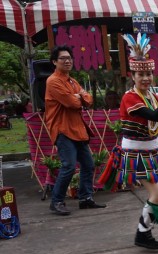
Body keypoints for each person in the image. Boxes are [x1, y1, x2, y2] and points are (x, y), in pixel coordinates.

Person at [98, 33, 158, 249]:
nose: (145, 78)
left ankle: (145, 233)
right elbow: (154, 116)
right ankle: (142, 233)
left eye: (149, 73)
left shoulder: (150, 95)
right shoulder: (130, 97)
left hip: (150, 150)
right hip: (137, 153)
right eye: (140, 74)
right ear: (132, 75)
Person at [45, 45, 106, 216]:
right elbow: (72, 103)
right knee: (69, 166)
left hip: (77, 129)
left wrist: (80, 96)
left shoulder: (72, 81)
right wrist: (78, 96)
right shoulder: (53, 81)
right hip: (62, 129)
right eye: (63, 58)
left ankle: (85, 198)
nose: (67, 61)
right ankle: (56, 201)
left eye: (69, 58)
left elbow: (88, 100)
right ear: (54, 62)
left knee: (88, 164)